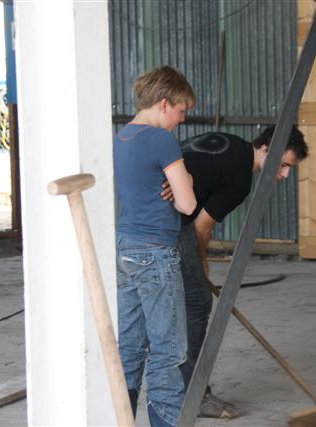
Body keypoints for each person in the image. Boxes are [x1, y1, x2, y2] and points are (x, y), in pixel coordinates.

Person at [163, 126, 308, 418]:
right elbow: (200, 230)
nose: (284, 175)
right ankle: (194, 395)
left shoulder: (229, 142)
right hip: (169, 222)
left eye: (289, 169)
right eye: (283, 165)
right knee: (196, 303)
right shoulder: (240, 179)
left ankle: (178, 390)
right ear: (265, 150)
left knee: (180, 303)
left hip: (143, 214)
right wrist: (201, 271)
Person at [114, 65, 197, 427]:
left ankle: (120, 419)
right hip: (156, 252)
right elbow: (188, 204)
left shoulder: (121, 137)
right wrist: (186, 178)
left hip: (125, 248)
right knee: (168, 350)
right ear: (164, 104)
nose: (181, 119)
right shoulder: (161, 140)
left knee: (130, 347)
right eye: (180, 110)